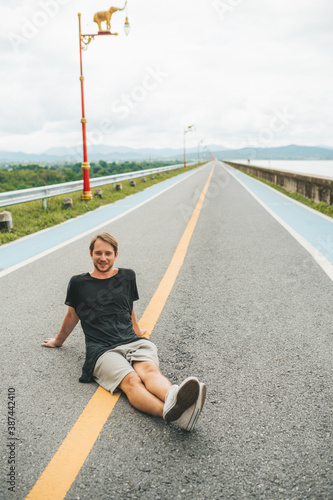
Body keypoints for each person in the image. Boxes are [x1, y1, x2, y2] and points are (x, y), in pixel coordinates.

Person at [42, 232, 206, 431]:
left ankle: (174, 396)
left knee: (149, 371)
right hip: (102, 350)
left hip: (131, 340)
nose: (103, 258)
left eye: (108, 253)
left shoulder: (127, 276)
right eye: (98, 253)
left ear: (116, 255)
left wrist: (137, 330)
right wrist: (58, 341)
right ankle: (177, 416)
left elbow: (128, 307)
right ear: (91, 254)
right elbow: (72, 316)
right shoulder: (78, 283)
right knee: (132, 380)